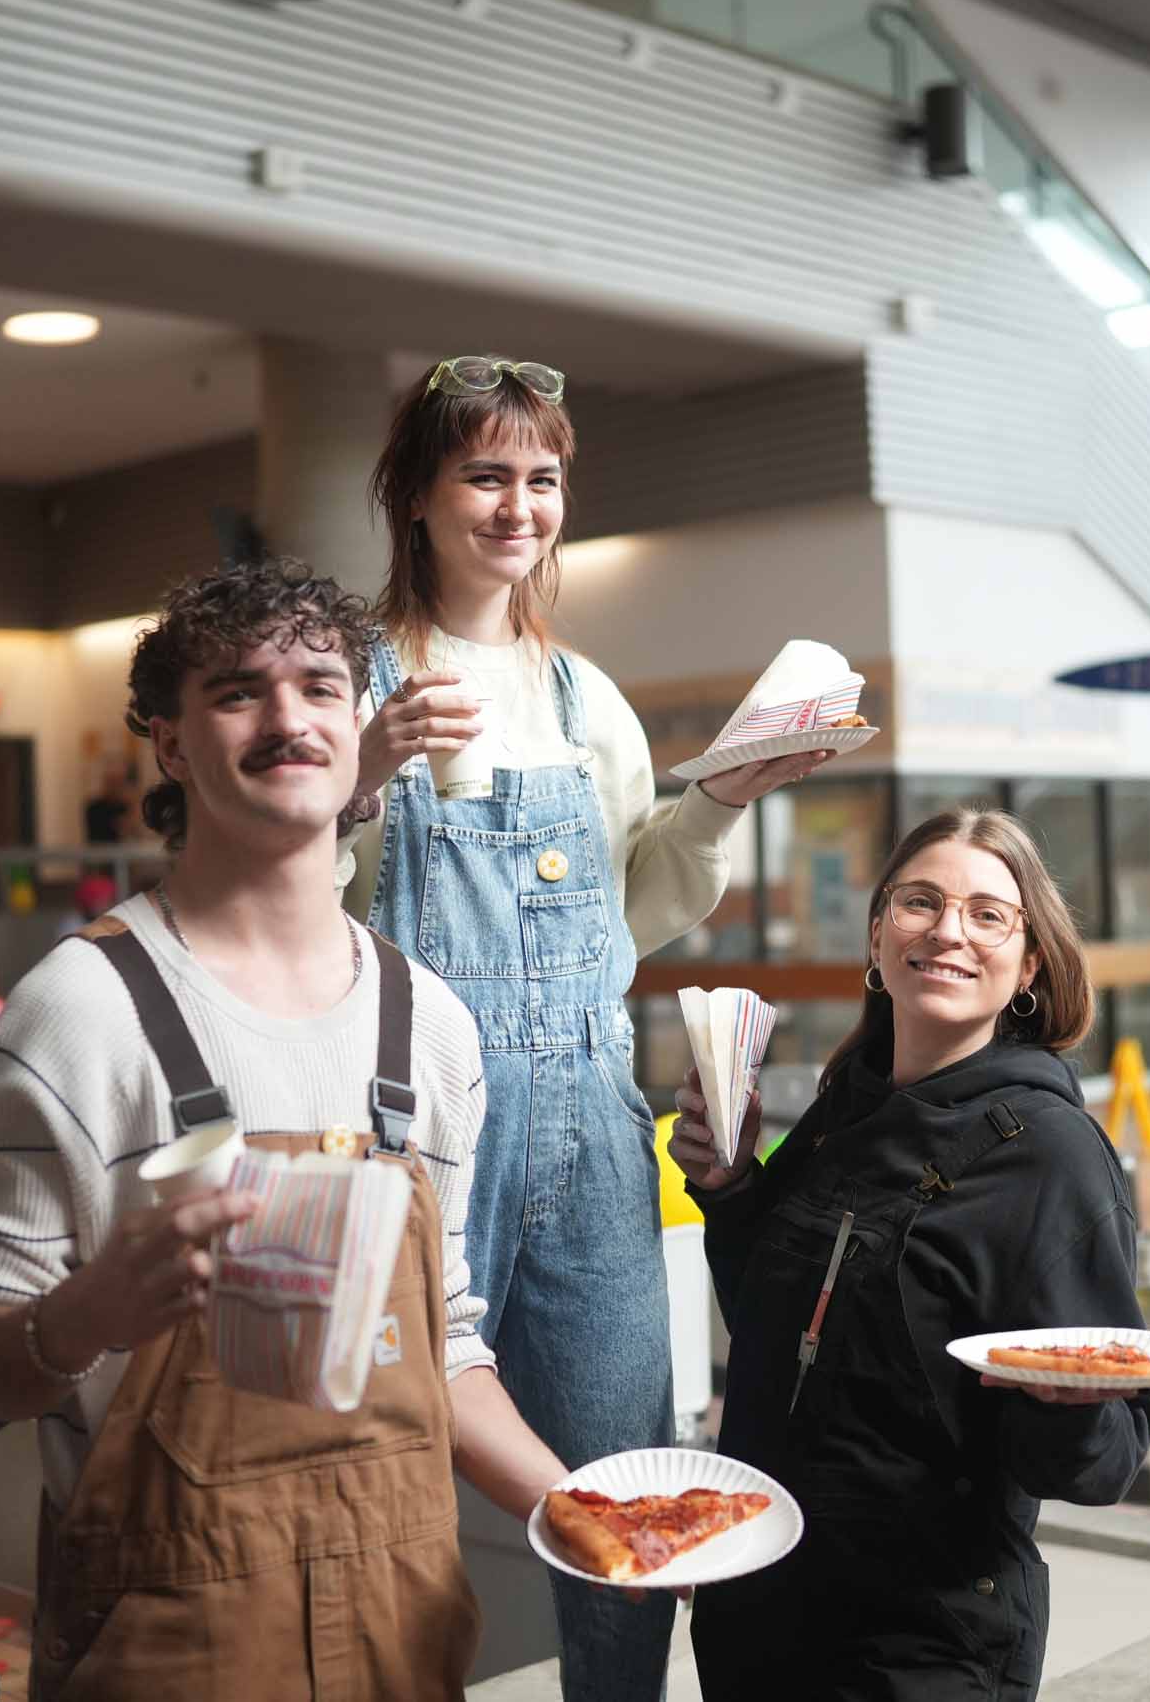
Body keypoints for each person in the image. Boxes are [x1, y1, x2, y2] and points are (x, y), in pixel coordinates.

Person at [0, 558, 569, 1702]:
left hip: (399, 1630)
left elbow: (444, 1342)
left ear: (361, 719)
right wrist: (88, 1314)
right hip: (171, 1643)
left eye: (320, 686)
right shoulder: (76, 1015)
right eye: (237, 693)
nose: (287, 719)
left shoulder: (432, 1027)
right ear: (169, 742)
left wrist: (589, 1513)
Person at [344, 354, 834, 1699]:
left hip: (599, 1136)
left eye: (541, 478)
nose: (518, 505)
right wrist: (364, 766)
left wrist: (729, 792)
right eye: (485, 473)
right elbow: (293, 899)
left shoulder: (583, 697)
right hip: (420, 1137)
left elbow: (639, 905)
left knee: (627, 1468)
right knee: (389, 1468)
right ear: (419, 495)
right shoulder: (354, 679)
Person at [668, 809, 1150, 1698]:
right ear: (878, 932)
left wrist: (1064, 1402)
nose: (947, 930)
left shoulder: (1051, 1153)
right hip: (757, 1612)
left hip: (918, 1648)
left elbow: (1107, 1459)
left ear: (1029, 964)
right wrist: (734, 1189)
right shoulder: (840, 1107)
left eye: (987, 913)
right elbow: (780, 1331)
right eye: (920, 901)